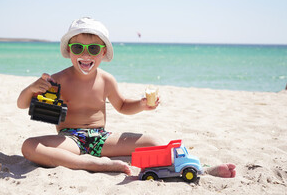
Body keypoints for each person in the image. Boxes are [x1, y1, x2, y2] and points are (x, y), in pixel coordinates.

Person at [17, 17, 236, 178]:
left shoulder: (106, 80)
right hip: (70, 140)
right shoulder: (57, 79)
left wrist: (140, 104)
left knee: (154, 141)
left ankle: (203, 169)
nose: (85, 54)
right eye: (78, 47)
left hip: (102, 139)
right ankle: (91, 164)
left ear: (103, 52)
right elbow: (22, 104)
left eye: (93, 48)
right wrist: (30, 89)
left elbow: (122, 105)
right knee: (29, 146)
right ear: (69, 50)